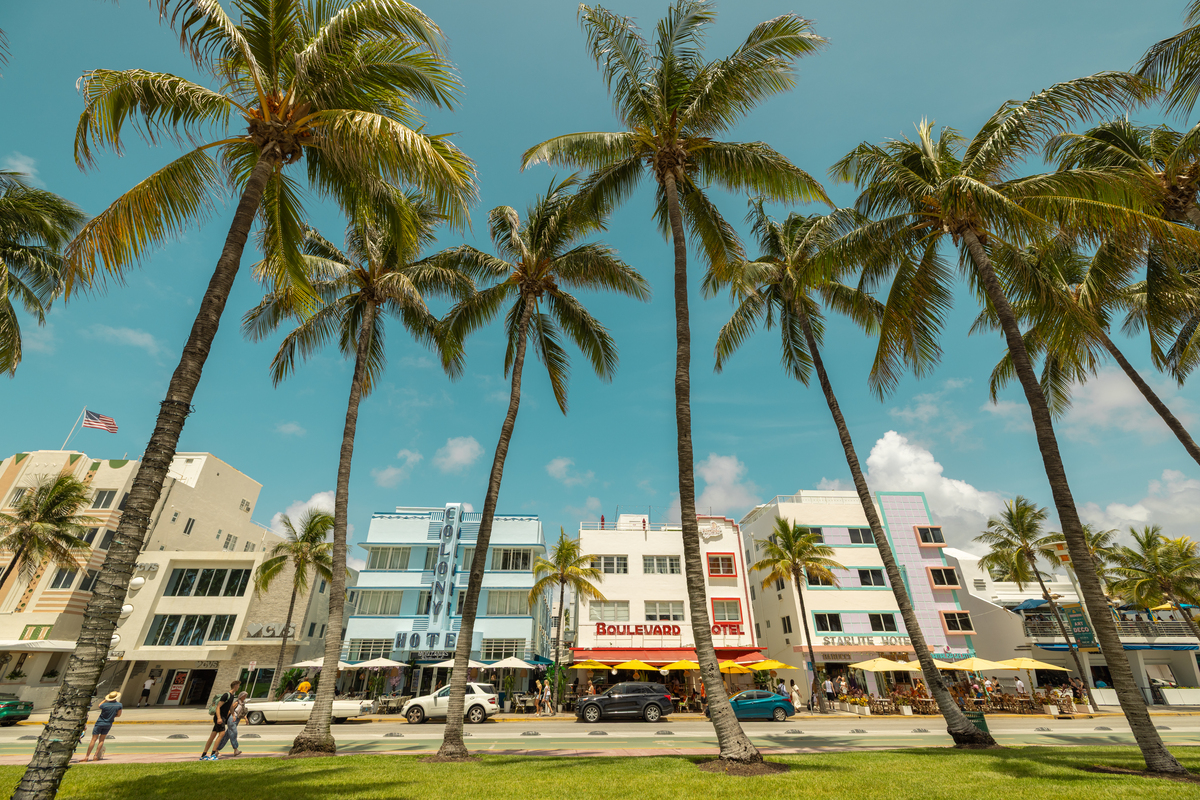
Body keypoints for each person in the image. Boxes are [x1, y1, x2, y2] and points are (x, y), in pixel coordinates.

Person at [200, 680, 240, 761]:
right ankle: (213, 754)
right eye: (238, 685)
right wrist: (219, 718)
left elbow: (230, 706)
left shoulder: (232, 696)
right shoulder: (226, 695)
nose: (239, 687)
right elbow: (218, 707)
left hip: (223, 717)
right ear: (235, 686)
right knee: (222, 734)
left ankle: (203, 755)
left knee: (212, 736)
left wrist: (233, 715)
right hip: (220, 717)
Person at [82, 691, 122, 762]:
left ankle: (87, 756)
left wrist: (105, 699)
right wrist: (112, 715)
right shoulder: (119, 705)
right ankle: (96, 756)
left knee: (93, 739)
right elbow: (118, 715)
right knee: (101, 740)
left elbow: (99, 705)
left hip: (99, 722)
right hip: (108, 723)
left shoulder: (105, 705)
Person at [213, 691, 248, 758]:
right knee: (234, 733)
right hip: (232, 719)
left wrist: (246, 719)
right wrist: (225, 719)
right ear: (241, 696)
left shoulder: (242, 703)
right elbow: (230, 710)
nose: (245, 697)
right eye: (244, 696)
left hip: (237, 719)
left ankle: (216, 750)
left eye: (245, 696)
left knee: (227, 736)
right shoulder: (237, 702)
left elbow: (242, 712)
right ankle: (235, 749)